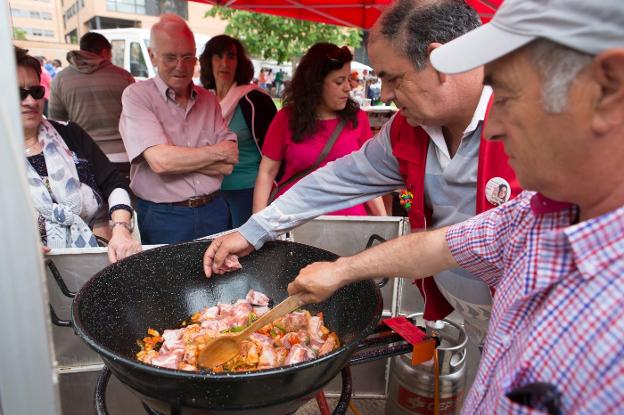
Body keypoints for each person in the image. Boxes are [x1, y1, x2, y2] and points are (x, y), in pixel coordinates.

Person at [284, 0, 624, 413]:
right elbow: (433, 246)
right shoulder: (535, 215)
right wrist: (339, 270)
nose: (493, 127)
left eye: (509, 95)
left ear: (607, 89)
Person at [204, 0, 518, 385]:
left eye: (393, 77)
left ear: (440, 62)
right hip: (471, 321)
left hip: (530, 329)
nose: (383, 93)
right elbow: (339, 178)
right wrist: (256, 228)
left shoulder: (527, 122)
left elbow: (473, 241)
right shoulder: (410, 128)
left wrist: (343, 270)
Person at [119, 14, 238, 245]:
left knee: (221, 278)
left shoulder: (208, 99)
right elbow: (162, 162)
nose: (181, 66)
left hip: (214, 209)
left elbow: (230, 159)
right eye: (170, 57)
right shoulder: (137, 96)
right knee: (169, 281)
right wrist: (215, 153)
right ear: (153, 56)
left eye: (187, 57)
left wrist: (178, 157)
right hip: (164, 216)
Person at [16, 46, 140, 263]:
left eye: (36, 92)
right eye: (19, 93)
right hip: (25, 272)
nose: (31, 101)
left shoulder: (69, 133)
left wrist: (120, 228)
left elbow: (114, 182)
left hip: (85, 259)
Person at [252, 43, 387, 217]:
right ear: (315, 83)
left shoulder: (358, 119)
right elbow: (266, 173)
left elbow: (367, 175)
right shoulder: (286, 118)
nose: (348, 87)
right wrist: (257, 227)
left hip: (350, 227)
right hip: (294, 222)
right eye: (339, 81)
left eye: (349, 79)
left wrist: (384, 222)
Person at [199, 35, 277, 228]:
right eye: (218, 56)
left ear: (239, 62)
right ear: (208, 61)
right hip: (210, 195)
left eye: (231, 57)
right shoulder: (203, 100)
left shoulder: (255, 100)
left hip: (247, 193)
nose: (224, 63)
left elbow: (276, 152)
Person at [49, 32, 136, 182]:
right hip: (125, 156)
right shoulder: (123, 76)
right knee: (126, 203)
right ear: (104, 52)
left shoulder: (60, 79)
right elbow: (137, 119)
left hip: (84, 158)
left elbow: (56, 123)